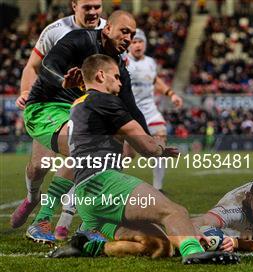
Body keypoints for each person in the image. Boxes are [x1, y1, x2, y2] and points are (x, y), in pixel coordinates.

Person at [48, 54, 239, 265]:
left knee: (160, 245)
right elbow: (146, 147)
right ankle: (193, 253)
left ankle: (89, 245)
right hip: (104, 183)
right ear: (101, 75)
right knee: (175, 212)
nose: (120, 83)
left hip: (85, 196)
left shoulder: (77, 104)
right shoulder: (105, 101)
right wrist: (160, 149)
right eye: (117, 77)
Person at [12, 10, 150, 244]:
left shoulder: (116, 62)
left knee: (117, 148)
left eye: (133, 34)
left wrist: (150, 139)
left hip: (77, 110)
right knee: (40, 166)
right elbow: (45, 66)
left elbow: (130, 107)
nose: (128, 38)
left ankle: (84, 224)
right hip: (46, 106)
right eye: (124, 32)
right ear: (108, 29)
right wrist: (60, 81)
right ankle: (38, 208)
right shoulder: (74, 37)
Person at [11, 0, 106, 240]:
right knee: (39, 166)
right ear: (74, 5)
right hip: (50, 104)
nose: (93, 12)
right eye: (87, 7)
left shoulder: (108, 32)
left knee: (84, 150)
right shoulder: (55, 31)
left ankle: (50, 220)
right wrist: (25, 91)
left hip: (82, 107)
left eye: (98, 6)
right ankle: (32, 198)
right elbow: (32, 67)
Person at [124, 29, 183, 192]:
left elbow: (155, 80)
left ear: (145, 44)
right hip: (129, 113)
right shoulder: (123, 60)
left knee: (160, 143)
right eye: (134, 42)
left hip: (150, 111)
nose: (137, 45)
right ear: (129, 45)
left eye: (140, 41)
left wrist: (171, 94)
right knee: (127, 155)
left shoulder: (150, 62)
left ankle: (158, 187)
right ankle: (111, 184)